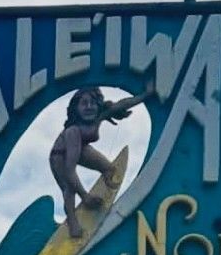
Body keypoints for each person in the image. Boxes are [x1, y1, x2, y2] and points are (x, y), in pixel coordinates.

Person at [49, 83, 153, 237]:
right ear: (75, 108)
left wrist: (145, 95)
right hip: (60, 155)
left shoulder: (99, 115)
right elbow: (70, 169)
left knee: (110, 169)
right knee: (69, 188)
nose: (89, 107)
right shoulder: (72, 132)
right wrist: (85, 196)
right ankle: (73, 224)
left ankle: (101, 195)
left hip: (81, 147)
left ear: (98, 105)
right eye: (83, 103)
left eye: (92, 103)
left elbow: (121, 105)